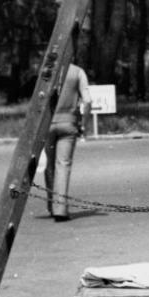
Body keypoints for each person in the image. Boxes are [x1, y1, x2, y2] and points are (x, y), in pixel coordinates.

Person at [44, 59, 91, 222]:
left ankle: (51, 205)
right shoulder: (78, 72)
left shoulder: (47, 70)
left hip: (47, 124)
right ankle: (60, 209)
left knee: (49, 165)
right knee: (62, 165)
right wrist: (84, 124)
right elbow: (88, 100)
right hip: (69, 123)